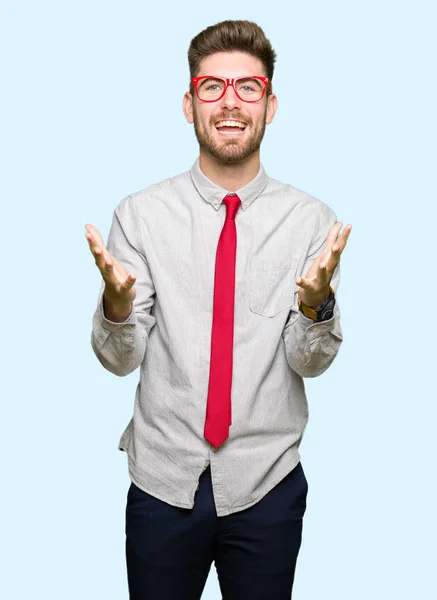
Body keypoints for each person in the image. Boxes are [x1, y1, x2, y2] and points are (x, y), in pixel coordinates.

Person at [85, 19, 351, 600]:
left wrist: (315, 307)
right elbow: (119, 361)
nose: (230, 103)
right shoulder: (140, 215)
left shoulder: (310, 222)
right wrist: (116, 306)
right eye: (212, 87)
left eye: (247, 87)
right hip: (162, 482)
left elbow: (309, 364)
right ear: (189, 103)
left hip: (267, 484)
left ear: (270, 104)